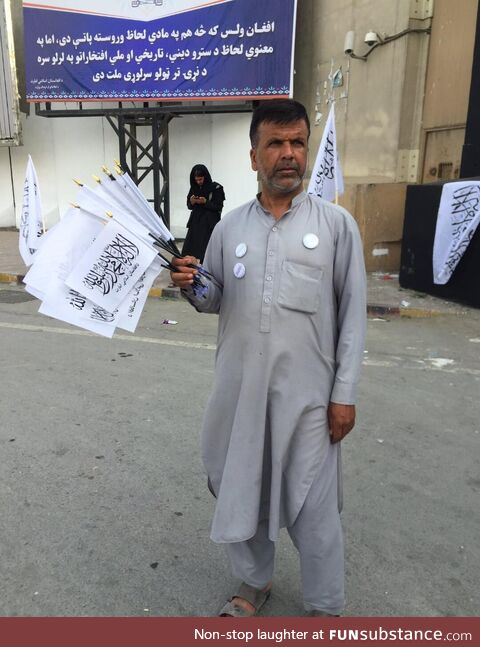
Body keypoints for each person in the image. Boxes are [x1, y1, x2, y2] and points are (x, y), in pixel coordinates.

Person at [170, 99, 366, 617]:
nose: (288, 154)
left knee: (314, 507)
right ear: (254, 156)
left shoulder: (337, 226)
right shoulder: (229, 227)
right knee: (243, 488)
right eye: (275, 144)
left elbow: (353, 317)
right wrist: (192, 284)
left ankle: (325, 606)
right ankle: (254, 582)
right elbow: (213, 298)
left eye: (297, 142)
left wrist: (344, 394)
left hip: (309, 401)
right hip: (240, 394)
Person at [182, 164, 225, 262]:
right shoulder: (194, 188)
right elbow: (189, 206)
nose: (199, 182)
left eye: (201, 179)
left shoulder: (216, 188)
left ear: (206, 177)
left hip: (209, 225)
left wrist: (205, 202)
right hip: (195, 224)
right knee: (190, 253)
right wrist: (192, 202)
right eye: (196, 180)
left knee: (207, 253)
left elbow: (218, 206)